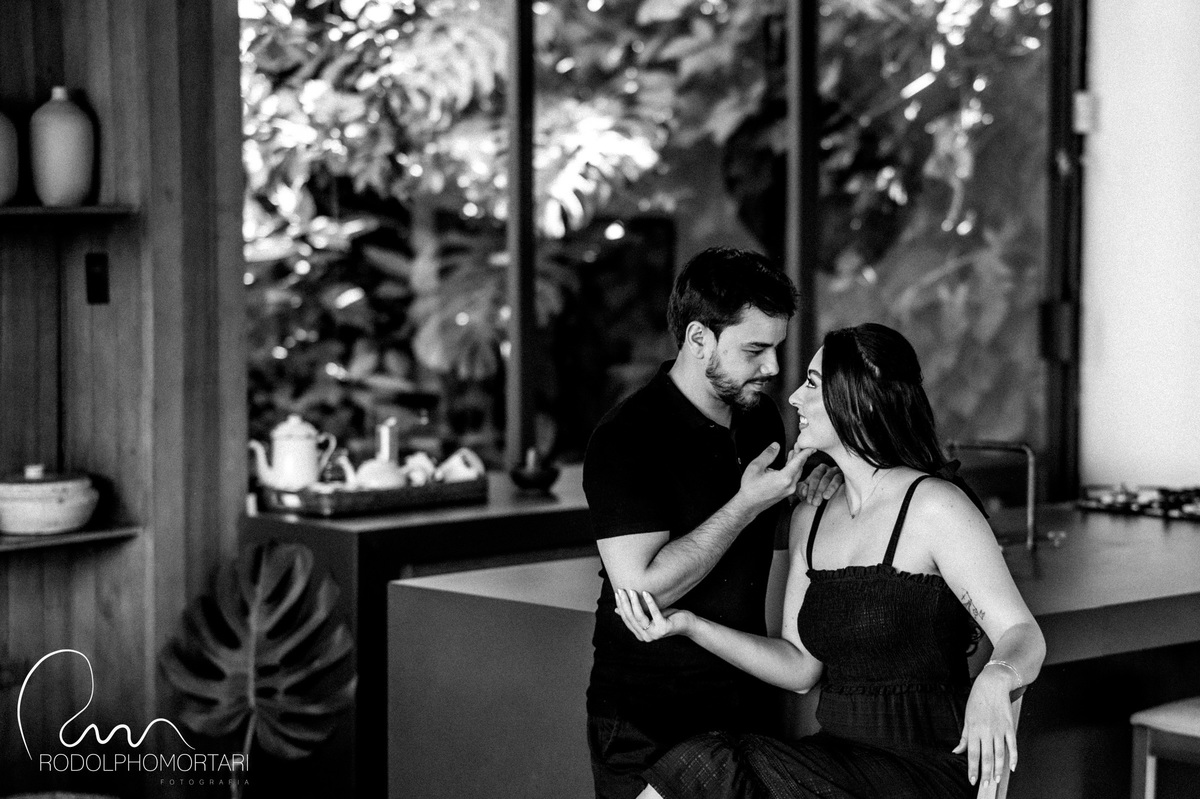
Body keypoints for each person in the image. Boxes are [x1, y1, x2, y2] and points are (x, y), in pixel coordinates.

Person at [614, 322, 1047, 799]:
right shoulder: (812, 516)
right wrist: (689, 625)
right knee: (707, 765)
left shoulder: (933, 507)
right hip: (837, 762)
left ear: (860, 401)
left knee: (712, 767)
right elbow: (800, 668)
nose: (794, 397)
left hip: (923, 769)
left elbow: (1022, 633)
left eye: (813, 384)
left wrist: (997, 677)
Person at [583, 247, 843, 799]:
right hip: (648, 722)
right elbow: (644, 590)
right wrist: (746, 504)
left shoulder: (759, 417)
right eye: (754, 350)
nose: (773, 369)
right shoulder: (627, 439)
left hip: (748, 708)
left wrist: (813, 490)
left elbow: (772, 532)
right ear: (699, 339)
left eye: (775, 348)